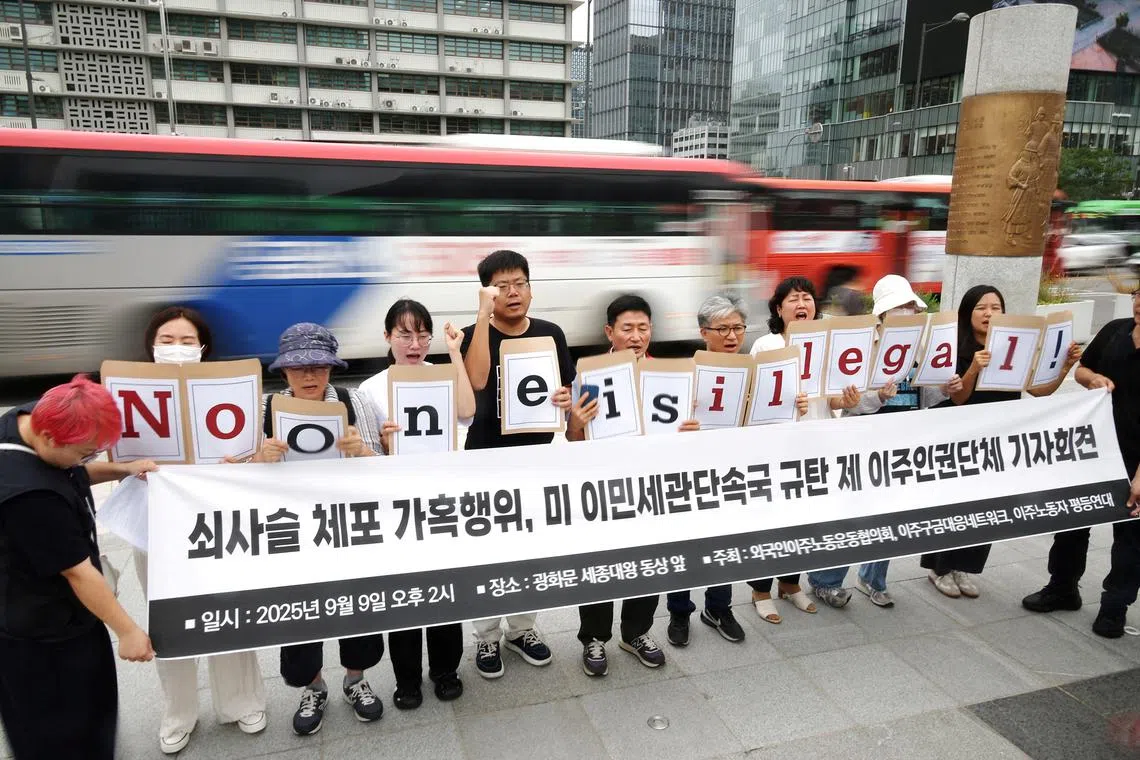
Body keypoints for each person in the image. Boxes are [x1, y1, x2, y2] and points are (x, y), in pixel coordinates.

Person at [133, 306, 268, 754]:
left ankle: (241, 701)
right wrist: (127, 467)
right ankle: (178, 713)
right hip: (155, 527)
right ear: (151, 346)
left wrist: (242, 463)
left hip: (217, 524)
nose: (177, 348)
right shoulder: (128, 394)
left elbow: (255, 453)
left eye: (187, 341)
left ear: (204, 348)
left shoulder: (229, 391)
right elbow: (99, 455)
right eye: (167, 340)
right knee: (169, 620)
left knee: (228, 611)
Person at [0, 376, 156, 760]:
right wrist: (128, 631)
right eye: (87, 453)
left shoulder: (29, 420)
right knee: (62, 734)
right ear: (48, 437)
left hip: (69, 616)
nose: (89, 460)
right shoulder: (28, 495)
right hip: (43, 634)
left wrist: (123, 469)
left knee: (94, 715)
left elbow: (71, 469)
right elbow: (78, 572)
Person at [251, 322, 386, 736]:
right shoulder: (263, 408)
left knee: (355, 604)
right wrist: (260, 458)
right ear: (283, 371)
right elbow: (235, 477)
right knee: (300, 611)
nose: (310, 376)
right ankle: (312, 687)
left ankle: (355, 679)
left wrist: (361, 451)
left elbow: (385, 468)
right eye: (299, 367)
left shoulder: (352, 400)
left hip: (346, 525)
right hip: (291, 529)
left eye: (320, 366)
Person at [799, 276, 962, 610]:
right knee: (849, 513)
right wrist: (879, 397)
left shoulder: (919, 345)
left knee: (891, 513)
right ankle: (825, 581)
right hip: (862, 442)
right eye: (900, 307)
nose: (907, 312)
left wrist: (943, 390)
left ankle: (874, 579)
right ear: (882, 314)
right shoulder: (860, 347)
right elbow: (849, 404)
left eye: (911, 306)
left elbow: (924, 396)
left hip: (902, 442)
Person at [922, 285, 1079, 600]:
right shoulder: (954, 348)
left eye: (996, 307)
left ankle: (963, 567)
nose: (989, 313)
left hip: (998, 440)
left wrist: (1065, 367)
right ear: (968, 313)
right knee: (955, 503)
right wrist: (974, 367)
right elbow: (959, 398)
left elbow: (1040, 391)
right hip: (961, 438)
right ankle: (940, 568)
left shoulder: (1014, 346)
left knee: (987, 505)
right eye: (981, 308)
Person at [459, 250, 573, 678]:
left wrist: (564, 398)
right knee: (488, 553)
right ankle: (486, 636)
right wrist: (482, 317)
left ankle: (522, 629)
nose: (513, 293)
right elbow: (476, 381)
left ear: (530, 287)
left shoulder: (551, 333)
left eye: (520, 283)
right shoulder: (471, 335)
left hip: (536, 460)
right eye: (502, 286)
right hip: (485, 461)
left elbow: (564, 388)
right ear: (487, 292)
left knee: (531, 551)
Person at [566, 295, 693, 676]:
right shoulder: (588, 374)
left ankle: (636, 632)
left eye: (643, 328)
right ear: (610, 332)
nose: (636, 336)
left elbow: (683, 436)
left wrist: (690, 433)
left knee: (649, 559)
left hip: (652, 486)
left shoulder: (669, 374)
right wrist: (575, 422)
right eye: (627, 328)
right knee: (599, 563)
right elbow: (574, 439)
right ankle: (594, 637)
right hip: (603, 486)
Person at [358, 299, 473, 707]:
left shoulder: (441, 374)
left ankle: (445, 670)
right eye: (405, 335)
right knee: (404, 596)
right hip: (396, 509)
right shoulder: (370, 389)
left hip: (441, 503)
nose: (415, 344)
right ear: (387, 336)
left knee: (444, 591)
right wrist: (384, 445)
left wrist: (455, 353)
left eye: (423, 336)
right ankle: (406, 679)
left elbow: (467, 411)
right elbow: (365, 456)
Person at [666, 293, 782, 646]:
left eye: (738, 328)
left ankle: (718, 608)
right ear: (704, 332)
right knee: (685, 545)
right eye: (723, 329)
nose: (732, 336)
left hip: (732, 474)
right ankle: (679, 612)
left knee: (726, 543)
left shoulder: (755, 371)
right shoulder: (685, 373)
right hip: (689, 474)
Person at [1021, 288, 1139, 637]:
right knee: (1073, 521)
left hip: (1135, 459)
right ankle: (1063, 587)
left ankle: (1114, 607)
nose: (1139, 303)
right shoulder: (1116, 330)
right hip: (1094, 447)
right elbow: (1083, 370)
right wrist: (1093, 379)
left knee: (1130, 538)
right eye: (1138, 294)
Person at [748, 277, 858, 619]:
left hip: (816, 446)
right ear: (778, 309)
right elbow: (754, 397)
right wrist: (785, 401)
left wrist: (846, 400)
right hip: (776, 449)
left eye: (807, 298)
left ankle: (790, 583)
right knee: (773, 521)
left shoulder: (827, 344)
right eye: (793, 299)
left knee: (804, 520)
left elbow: (832, 397)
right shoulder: (766, 345)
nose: (801, 304)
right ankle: (760, 589)